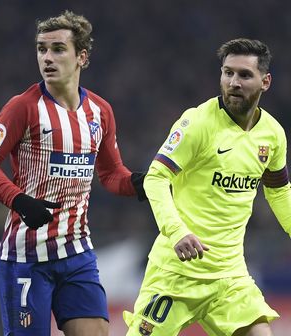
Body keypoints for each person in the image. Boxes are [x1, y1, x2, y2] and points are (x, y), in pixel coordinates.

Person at [0, 9, 145, 336]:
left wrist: (138, 183)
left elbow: (110, 174)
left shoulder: (100, 111)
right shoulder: (22, 107)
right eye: (41, 49)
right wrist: (19, 201)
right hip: (26, 256)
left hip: (78, 253)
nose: (47, 57)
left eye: (57, 49)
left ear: (81, 57)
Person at [124, 38, 291, 336]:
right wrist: (177, 232)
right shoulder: (197, 123)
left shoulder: (273, 134)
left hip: (230, 277)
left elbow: (278, 191)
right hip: (176, 273)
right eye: (228, 73)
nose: (233, 82)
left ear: (265, 82)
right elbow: (156, 177)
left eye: (244, 75)